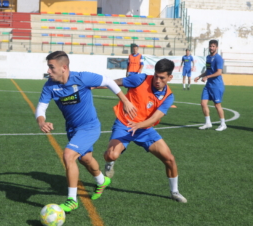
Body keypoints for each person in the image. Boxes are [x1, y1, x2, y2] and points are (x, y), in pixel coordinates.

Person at [36, 51, 136, 212]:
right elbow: (41, 107)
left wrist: (124, 101)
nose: (48, 71)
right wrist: (41, 121)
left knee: (68, 155)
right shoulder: (50, 86)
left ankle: (71, 200)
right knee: (85, 159)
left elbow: (109, 81)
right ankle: (102, 180)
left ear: (64, 67)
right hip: (72, 129)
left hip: (89, 127)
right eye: (48, 67)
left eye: (51, 67)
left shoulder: (82, 78)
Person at [103, 58, 187, 203]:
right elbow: (116, 83)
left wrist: (139, 125)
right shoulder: (140, 79)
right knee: (111, 155)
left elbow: (155, 118)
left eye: (162, 77)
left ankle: (174, 192)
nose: (157, 80)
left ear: (170, 77)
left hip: (145, 129)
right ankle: (109, 164)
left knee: (170, 159)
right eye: (156, 76)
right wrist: (93, 86)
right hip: (124, 124)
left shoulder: (168, 96)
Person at [194, 40, 226, 131]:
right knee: (203, 103)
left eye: (213, 46)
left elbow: (219, 72)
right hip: (208, 85)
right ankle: (208, 123)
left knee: (217, 105)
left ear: (216, 47)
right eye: (210, 46)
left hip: (217, 85)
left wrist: (207, 77)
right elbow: (208, 70)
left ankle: (223, 124)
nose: (211, 48)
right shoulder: (208, 57)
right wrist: (199, 76)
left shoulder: (218, 58)